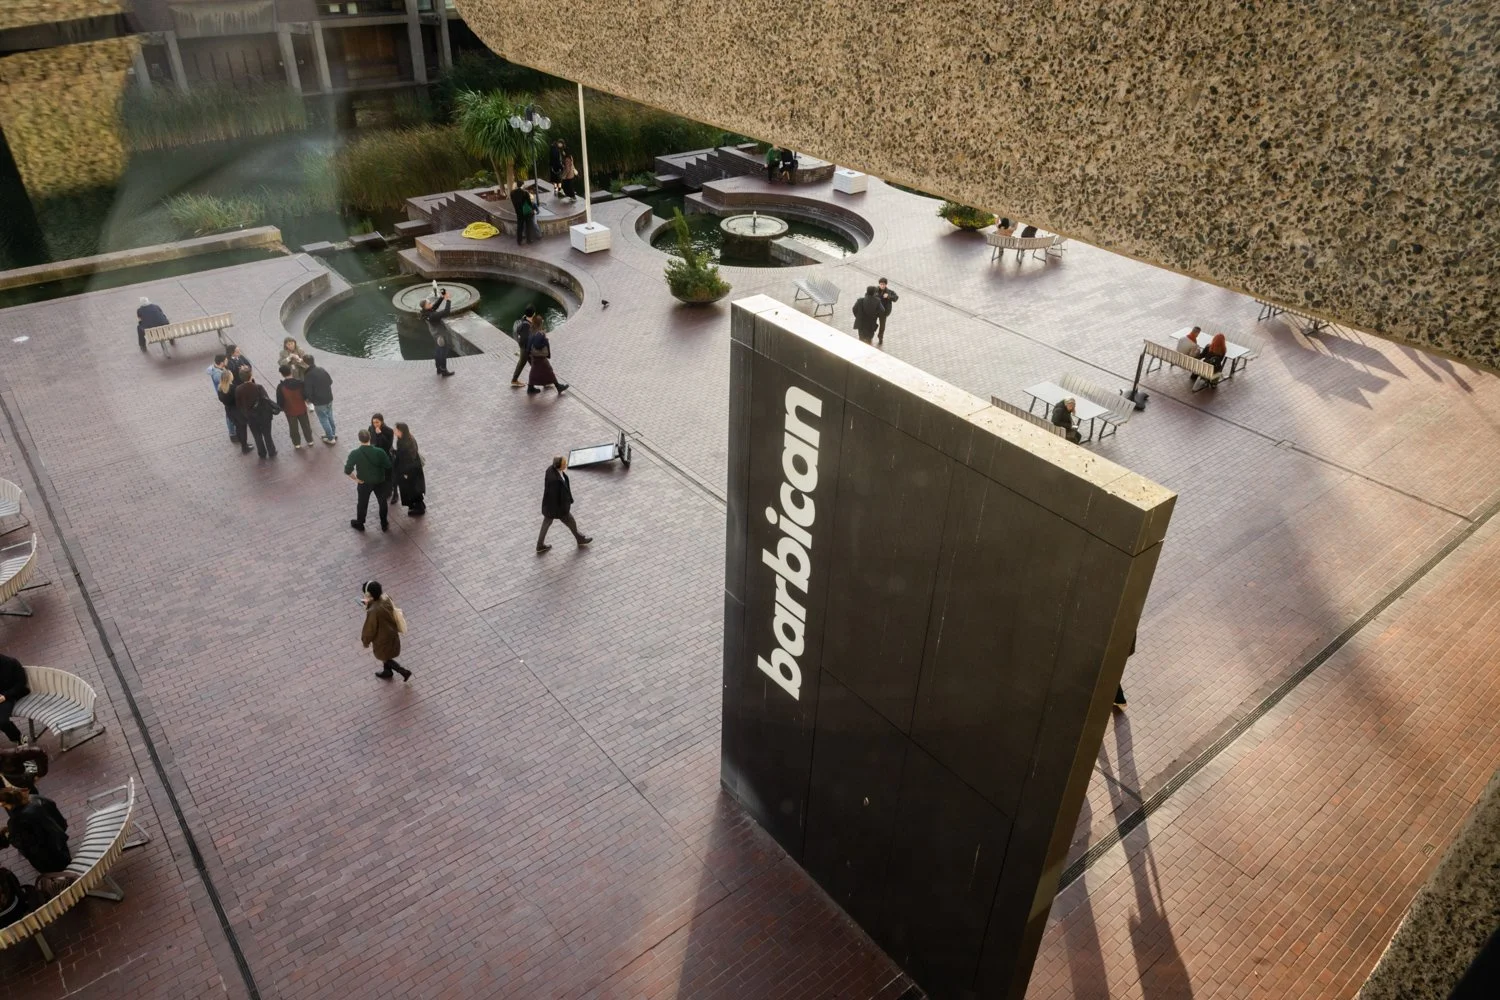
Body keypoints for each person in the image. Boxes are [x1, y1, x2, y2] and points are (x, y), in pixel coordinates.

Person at [0, 786, 69, 874]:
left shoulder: (15, 821)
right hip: (59, 841)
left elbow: (23, 844)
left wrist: (9, 836)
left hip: (47, 856)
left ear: (2, 803)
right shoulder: (35, 798)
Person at [536, 456, 592, 553]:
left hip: (550, 507)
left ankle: (540, 545)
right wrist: (563, 509)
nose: (566, 464)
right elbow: (556, 496)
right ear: (559, 466)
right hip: (558, 508)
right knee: (571, 521)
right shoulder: (555, 480)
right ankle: (580, 538)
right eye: (564, 464)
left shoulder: (551, 469)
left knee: (546, 523)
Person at [344, 429, 393, 532]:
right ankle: (384, 523)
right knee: (382, 502)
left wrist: (356, 479)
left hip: (364, 483)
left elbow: (347, 470)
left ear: (359, 439)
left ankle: (360, 523)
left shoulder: (355, 453)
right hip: (379, 481)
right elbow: (388, 465)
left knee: (362, 503)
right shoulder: (379, 451)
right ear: (370, 437)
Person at [360, 581, 410, 681]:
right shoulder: (386, 598)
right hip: (391, 633)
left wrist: (365, 641)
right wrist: (369, 603)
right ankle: (387, 671)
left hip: (381, 639)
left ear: (368, 594)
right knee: (385, 655)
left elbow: (369, 629)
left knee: (384, 657)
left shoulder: (373, 611)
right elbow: (380, 607)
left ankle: (403, 671)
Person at [234, 367, 278, 459]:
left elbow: (239, 405)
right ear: (250, 376)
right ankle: (271, 451)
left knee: (257, 436)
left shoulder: (238, 389)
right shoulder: (258, 387)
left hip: (250, 417)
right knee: (267, 434)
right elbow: (266, 400)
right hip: (263, 415)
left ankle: (261, 453)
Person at [276, 365, 314, 449]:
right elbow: (305, 396)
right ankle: (310, 440)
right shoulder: (300, 383)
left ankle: (297, 443)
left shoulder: (280, 387)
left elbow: (280, 401)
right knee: (306, 425)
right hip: (301, 408)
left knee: (293, 428)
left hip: (290, 410)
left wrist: (282, 408)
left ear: (282, 374)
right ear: (291, 371)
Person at [526, 321, 568, 395]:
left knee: (535, 372)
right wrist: (545, 340)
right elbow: (538, 345)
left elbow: (529, 346)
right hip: (539, 358)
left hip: (534, 357)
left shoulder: (532, 333)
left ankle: (530, 387)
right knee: (549, 370)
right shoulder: (538, 334)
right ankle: (558, 387)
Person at [302, 354, 337, 444]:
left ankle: (330, 438)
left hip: (319, 402)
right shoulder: (321, 369)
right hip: (329, 398)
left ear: (305, 364)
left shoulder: (308, 375)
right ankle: (332, 433)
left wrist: (311, 400)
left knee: (323, 419)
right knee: (330, 416)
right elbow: (330, 381)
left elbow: (308, 391)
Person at [392, 423, 426, 516]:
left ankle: (419, 508)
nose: (394, 432)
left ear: (401, 431)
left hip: (410, 471)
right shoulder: (405, 439)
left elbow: (408, 459)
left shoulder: (406, 443)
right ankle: (420, 505)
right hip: (412, 470)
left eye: (396, 430)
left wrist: (406, 473)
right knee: (415, 489)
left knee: (413, 490)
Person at [0, 654, 29, 745]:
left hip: (9, 696)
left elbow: (21, 683)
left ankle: (18, 738)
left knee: (2, 721)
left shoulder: (11, 663)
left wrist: (5, 696)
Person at [218, 371, 249, 452]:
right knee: (242, 429)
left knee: (238, 428)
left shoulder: (220, 389)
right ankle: (245, 447)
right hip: (238, 411)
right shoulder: (234, 388)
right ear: (229, 378)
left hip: (229, 411)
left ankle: (242, 443)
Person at [208, 354, 237, 440]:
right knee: (230, 415)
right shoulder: (218, 374)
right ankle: (232, 433)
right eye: (225, 360)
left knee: (230, 414)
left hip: (226, 394)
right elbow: (225, 383)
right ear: (221, 363)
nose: (227, 361)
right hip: (227, 396)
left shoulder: (216, 368)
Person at [510, 307, 536, 387]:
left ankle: (545, 381)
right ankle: (514, 380)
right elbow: (524, 339)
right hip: (525, 348)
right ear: (533, 314)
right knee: (527, 363)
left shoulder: (525, 319)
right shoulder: (526, 325)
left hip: (525, 348)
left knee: (534, 364)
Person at [509, 181, 537, 246]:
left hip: (518, 212)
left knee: (520, 227)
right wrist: (533, 210)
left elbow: (514, 203)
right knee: (528, 226)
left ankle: (519, 241)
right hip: (526, 212)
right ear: (522, 185)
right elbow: (530, 204)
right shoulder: (525, 193)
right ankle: (529, 240)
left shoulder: (512, 193)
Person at [875, 278, 899, 345]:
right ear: (879, 284)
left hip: (884, 312)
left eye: (883, 284)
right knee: (871, 323)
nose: (882, 286)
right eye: (881, 284)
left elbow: (896, 298)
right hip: (875, 311)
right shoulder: (875, 290)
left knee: (882, 326)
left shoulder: (889, 292)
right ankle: (870, 334)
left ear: (886, 285)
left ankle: (880, 337)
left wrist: (888, 296)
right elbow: (868, 295)